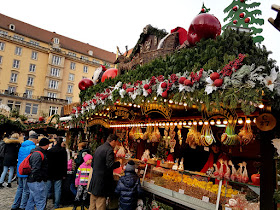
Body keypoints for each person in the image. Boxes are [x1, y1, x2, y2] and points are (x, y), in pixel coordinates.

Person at [88, 134, 121, 210]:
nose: (116, 144)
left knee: (92, 205)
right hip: (102, 183)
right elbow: (110, 165)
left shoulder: (99, 148)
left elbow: (93, 164)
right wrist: (119, 163)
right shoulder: (109, 150)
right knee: (100, 205)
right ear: (113, 141)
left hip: (94, 181)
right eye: (116, 142)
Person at [11, 132, 38, 210]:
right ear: (34, 139)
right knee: (26, 190)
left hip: (20, 169)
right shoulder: (33, 147)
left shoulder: (22, 146)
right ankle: (22, 206)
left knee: (20, 188)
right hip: (27, 170)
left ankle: (15, 205)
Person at [25, 138, 51, 210]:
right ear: (46, 145)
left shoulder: (36, 152)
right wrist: (39, 178)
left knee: (32, 199)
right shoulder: (38, 154)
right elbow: (36, 169)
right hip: (36, 180)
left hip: (32, 179)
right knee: (40, 200)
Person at [46, 137, 68, 209]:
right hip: (59, 173)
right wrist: (64, 174)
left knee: (47, 189)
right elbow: (65, 163)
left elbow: (47, 162)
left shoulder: (50, 151)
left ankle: (43, 203)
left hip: (50, 172)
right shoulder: (63, 151)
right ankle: (56, 205)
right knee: (57, 189)